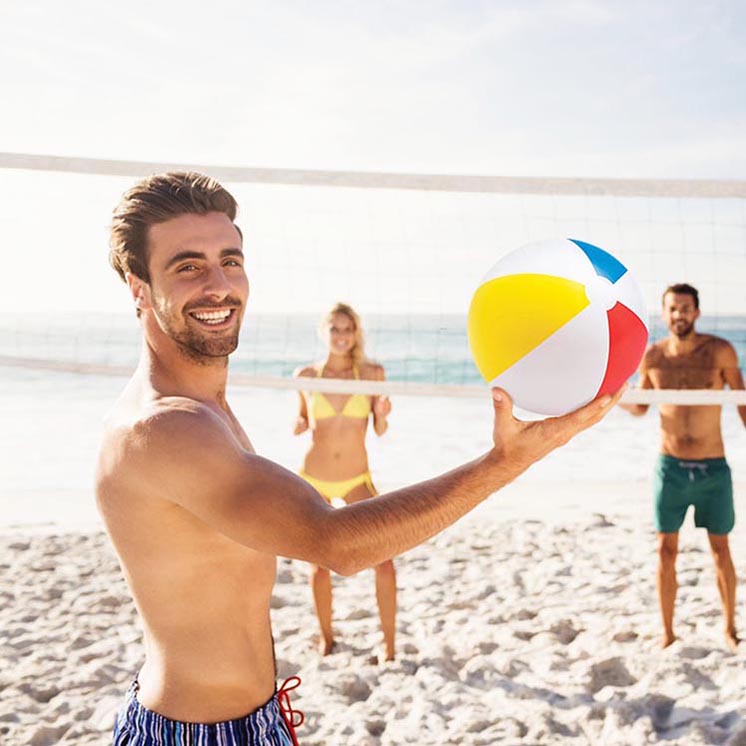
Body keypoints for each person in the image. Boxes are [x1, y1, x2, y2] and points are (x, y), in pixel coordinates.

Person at [97, 171, 622, 746]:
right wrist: (505, 461)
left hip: (252, 719)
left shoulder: (204, 408)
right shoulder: (167, 427)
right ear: (137, 287)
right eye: (188, 266)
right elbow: (337, 543)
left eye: (231, 259)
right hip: (192, 734)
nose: (220, 285)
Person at [621, 283, 746, 651]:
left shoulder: (720, 351)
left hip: (713, 468)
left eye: (686, 308)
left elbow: (742, 406)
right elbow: (641, 406)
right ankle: (668, 633)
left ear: (697, 312)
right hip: (670, 468)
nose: (679, 315)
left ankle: (729, 628)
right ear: (664, 314)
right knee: (665, 549)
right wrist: (613, 395)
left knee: (720, 548)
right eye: (673, 308)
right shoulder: (653, 357)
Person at [294, 303, 395, 660]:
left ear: (356, 334)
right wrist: (299, 424)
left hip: (356, 479)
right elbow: (302, 420)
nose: (341, 336)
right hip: (314, 480)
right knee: (318, 565)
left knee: (384, 559)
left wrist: (382, 415)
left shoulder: (372, 373)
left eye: (347, 329)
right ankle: (326, 638)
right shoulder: (306, 375)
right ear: (325, 332)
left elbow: (380, 430)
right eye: (334, 329)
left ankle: (389, 646)